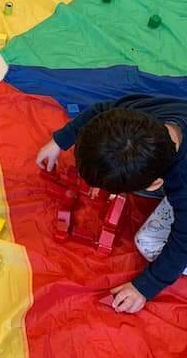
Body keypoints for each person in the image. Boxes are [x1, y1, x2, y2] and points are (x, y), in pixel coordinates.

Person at [36, 95, 187, 313]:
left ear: (155, 184)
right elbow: (102, 109)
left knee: (149, 244)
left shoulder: (181, 182)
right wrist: (60, 140)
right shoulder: (133, 119)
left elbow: (182, 242)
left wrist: (145, 287)